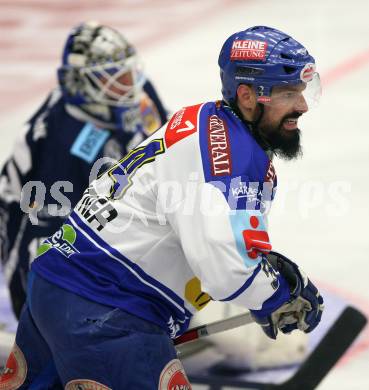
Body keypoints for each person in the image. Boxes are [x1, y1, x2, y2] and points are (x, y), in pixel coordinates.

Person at [0, 26, 324, 389]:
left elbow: (202, 233)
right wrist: (277, 294)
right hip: (106, 311)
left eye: (301, 90)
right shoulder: (232, 156)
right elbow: (226, 268)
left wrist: (267, 279)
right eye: (287, 93)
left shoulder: (202, 117)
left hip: (55, 284)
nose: (302, 105)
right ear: (247, 97)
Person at [0, 21, 167, 320]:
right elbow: (46, 243)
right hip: (34, 227)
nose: (129, 84)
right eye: (113, 78)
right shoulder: (65, 142)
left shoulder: (134, 94)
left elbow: (168, 148)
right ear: (82, 84)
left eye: (128, 72)